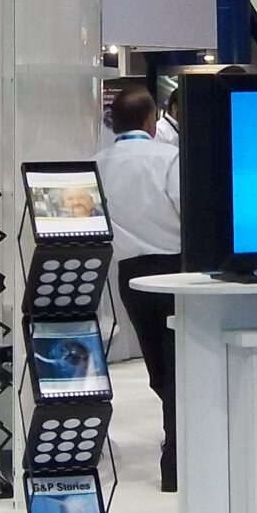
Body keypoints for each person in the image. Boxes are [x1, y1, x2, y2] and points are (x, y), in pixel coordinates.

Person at [94, 87, 181, 492]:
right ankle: (177, 455)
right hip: (175, 270)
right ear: (151, 120)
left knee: (159, 368)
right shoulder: (168, 157)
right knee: (178, 363)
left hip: (129, 275)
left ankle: (175, 444)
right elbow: (186, 209)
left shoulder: (98, 165)